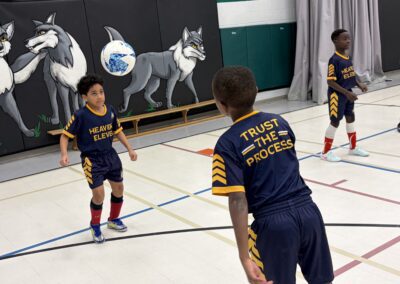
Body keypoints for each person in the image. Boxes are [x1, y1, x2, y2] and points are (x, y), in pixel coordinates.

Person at [211, 66, 334, 284]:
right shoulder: (279, 122)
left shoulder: (226, 144)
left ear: (221, 105)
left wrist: (244, 257)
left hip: (273, 225)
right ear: (257, 91)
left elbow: (238, 199)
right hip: (310, 213)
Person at [59, 74, 137, 243]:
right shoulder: (81, 115)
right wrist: (64, 154)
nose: (99, 96)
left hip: (111, 156)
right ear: (84, 97)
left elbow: (118, 131)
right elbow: (65, 136)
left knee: (119, 189)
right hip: (92, 160)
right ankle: (95, 225)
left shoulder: (109, 110)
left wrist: (129, 149)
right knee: (99, 194)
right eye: (94, 93)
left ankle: (113, 219)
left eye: (101, 92)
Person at [322, 29, 369, 162]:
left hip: (348, 94)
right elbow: (330, 81)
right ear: (335, 41)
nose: (348, 41)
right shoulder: (334, 60)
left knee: (350, 118)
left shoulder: (348, 57)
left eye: (348, 38)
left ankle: (353, 147)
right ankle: (325, 152)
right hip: (337, 96)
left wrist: (359, 84)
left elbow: (350, 74)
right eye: (344, 38)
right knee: (335, 122)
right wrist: (347, 93)